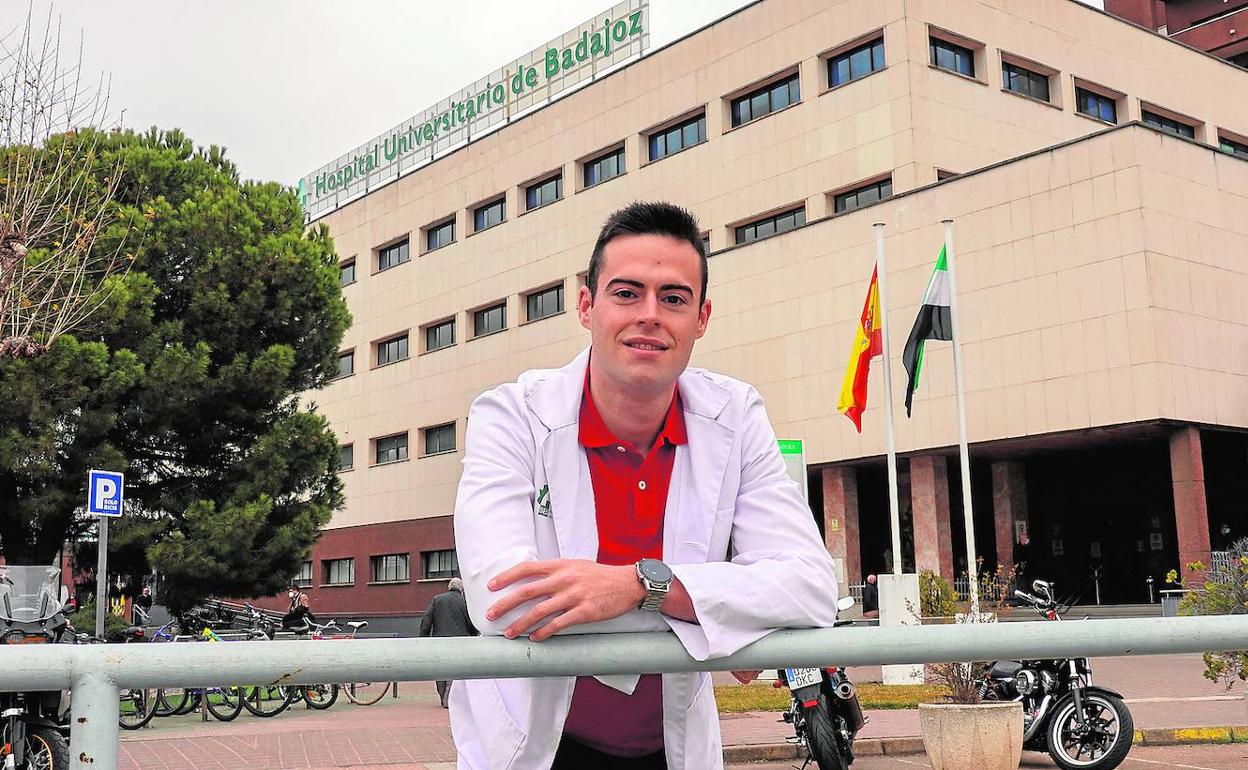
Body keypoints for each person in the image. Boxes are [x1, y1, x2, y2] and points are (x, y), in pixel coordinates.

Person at [451, 202, 840, 770]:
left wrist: (638, 585)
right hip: (531, 747)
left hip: (669, 749)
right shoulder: (511, 417)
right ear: (587, 306)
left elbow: (809, 588)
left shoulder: (735, 415)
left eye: (674, 298)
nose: (650, 315)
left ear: (702, 318)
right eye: (626, 293)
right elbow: (501, 602)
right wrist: (723, 613)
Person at [419, 577, 478, 708]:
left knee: (441, 670)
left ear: (449, 587)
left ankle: (443, 696)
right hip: (460, 643)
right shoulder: (465, 603)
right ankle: (452, 697)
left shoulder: (437, 600)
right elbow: (472, 624)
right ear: (461, 590)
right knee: (457, 671)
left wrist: (423, 639)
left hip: (440, 641)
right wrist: (473, 637)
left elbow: (426, 621)